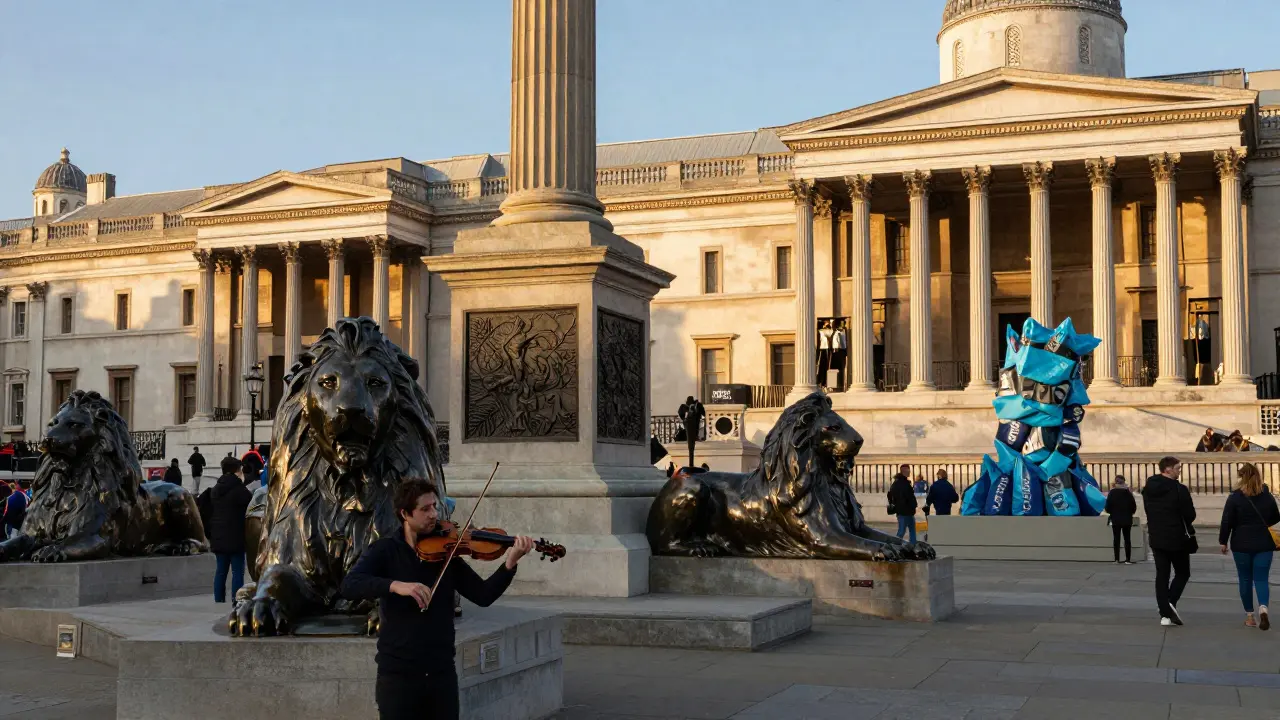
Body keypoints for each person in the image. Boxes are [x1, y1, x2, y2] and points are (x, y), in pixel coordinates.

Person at [341, 478, 534, 720]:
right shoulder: (385, 550)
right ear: (405, 514)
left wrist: (510, 563)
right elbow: (349, 585)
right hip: (398, 676)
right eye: (425, 509)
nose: (433, 514)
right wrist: (395, 585)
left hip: (441, 674)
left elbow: (483, 595)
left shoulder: (448, 554)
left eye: (435, 506)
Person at [1218, 462, 1280, 630]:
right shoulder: (1267, 496)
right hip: (1264, 543)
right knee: (1261, 578)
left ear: (1241, 477)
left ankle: (1250, 616)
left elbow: (1227, 521)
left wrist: (1223, 541)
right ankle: (1264, 609)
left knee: (1245, 579)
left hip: (1241, 543)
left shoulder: (1235, 497)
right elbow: (1275, 517)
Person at [1143, 456, 1197, 626]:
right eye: (1177, 468)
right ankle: (1169, 605)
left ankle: (1165, 615)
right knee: (1183, 572)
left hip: (1156, 536)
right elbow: (1190, 515)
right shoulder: (1179, 489)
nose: (1179, 471)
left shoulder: (1148, 488)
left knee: (1162, 575)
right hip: (1177, 537)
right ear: (1167, 469)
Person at [208, 455, 253, 603]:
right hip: (235, 535)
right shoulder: (239, 489)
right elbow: (250, 504)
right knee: (237, 572)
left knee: (220, 571)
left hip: (218, 535)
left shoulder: (216, 488)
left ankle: (219, 600)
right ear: (237, 471)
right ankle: (236, 600)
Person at [1105, 476, 1138, 564]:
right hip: (1127, 519)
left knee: (1116, 539)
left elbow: (1107, 508)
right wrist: (1129, 513)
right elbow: (1133, 507)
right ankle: (1128, 559)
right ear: (1124, 482)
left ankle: (1116, 559)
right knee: (1127, 539)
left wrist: (1113, 512)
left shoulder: (1112, 493)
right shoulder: (1128, 493)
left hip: (1115, 519)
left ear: (1115, 482)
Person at [887, 468, 918, 544]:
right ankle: (898, 544)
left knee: (904, 530)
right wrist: (914, 505)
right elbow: (910, 497)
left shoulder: (895, 484)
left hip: (900, 510)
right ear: (904, 473)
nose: (909, 473)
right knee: (907, 530)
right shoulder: (906, 484)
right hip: (907, 510)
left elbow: (890, 495)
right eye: (908, 472)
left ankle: (902, 544)